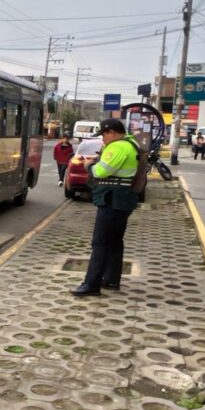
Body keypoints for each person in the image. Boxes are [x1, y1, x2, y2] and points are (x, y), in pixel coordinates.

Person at [71, 119, 140, 296]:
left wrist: (89, 165)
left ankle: (91, 284)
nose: (103, 139)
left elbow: (100, 172)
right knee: (115, 241)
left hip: (113, 199)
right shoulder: (131, 143)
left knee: (100, 242)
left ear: (112, 132)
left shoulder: (118, 147)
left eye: (103, 135)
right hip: (123, 199)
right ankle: (111, 279)